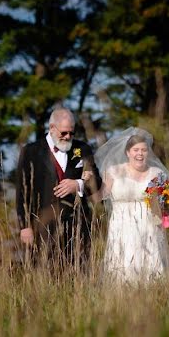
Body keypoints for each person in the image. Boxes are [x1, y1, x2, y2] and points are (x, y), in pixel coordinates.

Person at [15, 107, 102, 264]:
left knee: (79, 273)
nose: (68, 137)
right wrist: (24, 226)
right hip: (42, 225)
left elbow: (97, 181)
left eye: (71, 133)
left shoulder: (82, 149)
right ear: (52, 128)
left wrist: (78, 184)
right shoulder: (30, 151)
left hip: (77, 225)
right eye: (64, 133)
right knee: (44, 273)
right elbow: (22, 191)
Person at [95, 127, 169, 283]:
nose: (140, 153)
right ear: (127, 153)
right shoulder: (114, 171)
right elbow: (100, 196)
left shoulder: (156, 173)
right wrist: (83, 184)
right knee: (123, 267)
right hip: (121, 225)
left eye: (144, 150)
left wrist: (165, 214)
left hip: (149, 226)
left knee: (150, 267)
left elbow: (164, 203)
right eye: (136, 150)